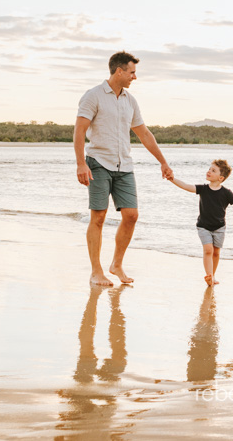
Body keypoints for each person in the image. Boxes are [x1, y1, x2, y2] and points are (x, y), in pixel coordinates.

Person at [74, 51, 173, 287]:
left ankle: (116, 264)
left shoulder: (130, 101)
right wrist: (80, 163)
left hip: (124, 165)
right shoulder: (93, 96)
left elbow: (144, 134)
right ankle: (96, 271)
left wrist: (163, 161)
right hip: (98, 162)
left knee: (131, 215)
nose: (134, 77)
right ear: (119, 71)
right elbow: (79, 131)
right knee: (98, 217)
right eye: (132, 72)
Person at [169, 159, 233, 286]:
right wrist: (172, 179)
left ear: (221, 178)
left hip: (219, 228)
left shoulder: (226, 193)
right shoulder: (203, 189)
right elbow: (186, 186)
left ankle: (213, 275)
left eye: (213, 170)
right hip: (203, 226)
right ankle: (209, 276)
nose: (209, 171)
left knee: (216, 252)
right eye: (209, 169)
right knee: (208, 250)